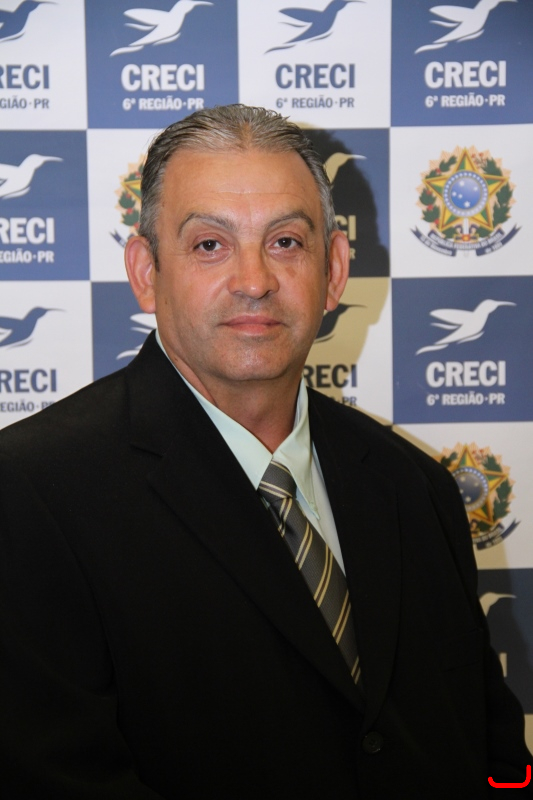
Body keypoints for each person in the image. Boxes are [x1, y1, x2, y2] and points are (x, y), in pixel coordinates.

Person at [0, 105, 530, 799]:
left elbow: (484, 743)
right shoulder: (33, 491)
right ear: (145, 271)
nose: (254, 280)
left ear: (333, 270)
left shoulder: (414, 484)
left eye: (284, 241)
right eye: (209, 245)